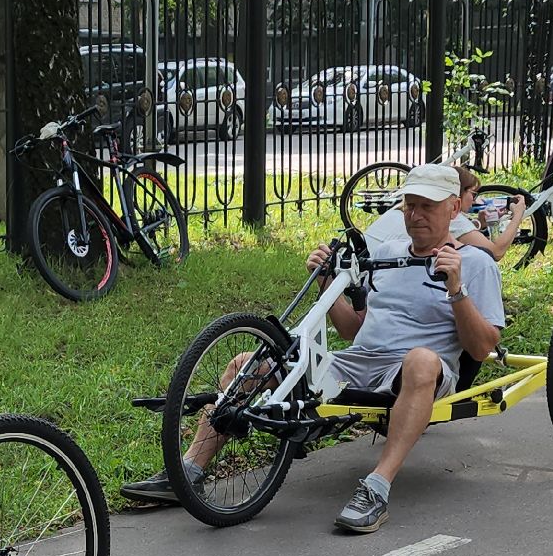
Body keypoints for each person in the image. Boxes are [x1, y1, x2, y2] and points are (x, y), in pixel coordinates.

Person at [121, 164, 505, 534]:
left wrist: (456, 289)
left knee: (420, 359)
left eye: (428, 206)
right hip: (359, 361)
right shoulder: (386, 252)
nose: (416, 215)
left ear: (454, 208)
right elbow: (353, 330)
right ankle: (188, 471)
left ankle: (377, 487)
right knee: (247, 365)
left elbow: (482, 347)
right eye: (410, 205)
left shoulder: (475, 263)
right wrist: (326, 283)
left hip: (422, 370)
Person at [365, 165, 529, 262]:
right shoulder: (452, 216)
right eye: (473, 194)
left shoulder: (403, 208)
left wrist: (479, 223)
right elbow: (495, 252)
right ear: (456, 199)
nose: (474, 200)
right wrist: (517, 216)